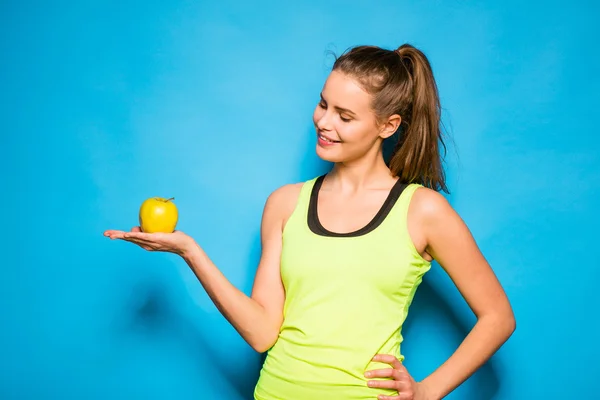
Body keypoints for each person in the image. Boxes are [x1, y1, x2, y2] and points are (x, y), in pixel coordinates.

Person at [104, 43, 516, 400]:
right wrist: (190, 251)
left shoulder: (422, 210)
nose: (323, 122)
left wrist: (427, 390)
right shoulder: (285, 204)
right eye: (323, 104)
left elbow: (498, 317)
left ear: (387, 126)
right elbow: (263, 333)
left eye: (344, 115)